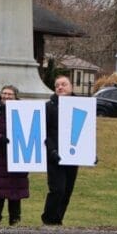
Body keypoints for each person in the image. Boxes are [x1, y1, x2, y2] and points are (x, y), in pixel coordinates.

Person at [0, 85, 29, 226]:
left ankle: (15, 221)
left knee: (15, 193)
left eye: (9, 94)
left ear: (15, 96)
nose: (6, 96)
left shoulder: (24, 112)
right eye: (4, 93)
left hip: (17, 157)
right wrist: (0, 138)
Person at [42, 75, 78, 225]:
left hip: (73, 155)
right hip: (54, 156)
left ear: (71, 87)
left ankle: (58, 220)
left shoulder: (81, 105)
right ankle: (48, 219)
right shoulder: (49, 106)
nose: (60, 87)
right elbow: (44, 132)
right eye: (57, 85)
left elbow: (86, 132)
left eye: (64, 84)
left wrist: (90, 154)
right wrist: (52, 151)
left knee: (67, 191)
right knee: (57, 190)